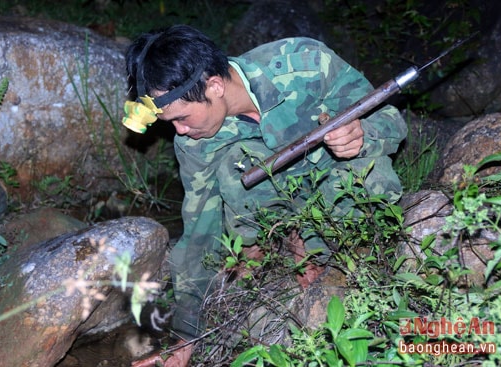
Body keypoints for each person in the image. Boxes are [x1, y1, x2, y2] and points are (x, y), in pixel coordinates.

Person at [123, 24, 407, 366]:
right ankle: (280, 242)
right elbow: (200, 229)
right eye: (171, 124)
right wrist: (186, 334)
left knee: (371, 177)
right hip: (279, 204)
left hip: (333, 181)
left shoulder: (306, 63)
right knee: (233, 166)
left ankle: (319, 247)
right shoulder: (196, 142)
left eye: (181, 118)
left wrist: (364, 135)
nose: (179, 132)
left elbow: (392, 120)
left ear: (214, 85)